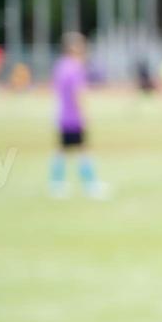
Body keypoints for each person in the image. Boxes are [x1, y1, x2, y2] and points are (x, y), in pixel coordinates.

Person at [49, 32, 109, 199]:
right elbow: (79, 93)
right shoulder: (75, 67)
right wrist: (85, 113)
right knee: (83, 149)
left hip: (61, 115)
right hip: (73, 116)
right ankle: (90, 184)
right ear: (73, 48)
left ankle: (56, 183)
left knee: (62, 149)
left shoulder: (60, 65)